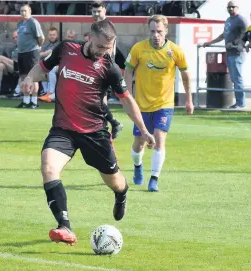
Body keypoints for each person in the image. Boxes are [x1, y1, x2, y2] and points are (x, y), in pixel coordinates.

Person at [21, 20, 155, 245]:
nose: (104, 52)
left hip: (95, 133)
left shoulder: (109, 67)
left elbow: (127, 100)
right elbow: (42, 67)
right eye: (101, 47)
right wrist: (28, 78)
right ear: (89, 37)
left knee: (114, 182)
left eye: (109, 48)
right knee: (48, 167)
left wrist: (143, 130)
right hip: (63, 129)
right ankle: (65, 226)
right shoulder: (65, 49)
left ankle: (122, 193)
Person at [125, 15, 194, 192]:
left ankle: (154, 178)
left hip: (165, 103)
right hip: (141, 105)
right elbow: (127, 72)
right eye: (153, 31)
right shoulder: (138, 49)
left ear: (166, 31)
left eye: (159, 31)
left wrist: (189, 99)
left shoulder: (175, 51)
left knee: (159, 139)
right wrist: (129, 98)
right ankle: (138, 166)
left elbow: (186, 76)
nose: (156, 35)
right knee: (139, 144)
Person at [202, 1, 247, 109]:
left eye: (232, 7)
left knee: (237, 78)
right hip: (229, 53)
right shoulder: (228, 20)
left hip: (237, 53)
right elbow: (224, 35)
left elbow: (246, 33)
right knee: (233, 79)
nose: (230, 9)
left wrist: (235, 43)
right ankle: (239, 102)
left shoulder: (241, 19)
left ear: (237, 7)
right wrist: (210, 42)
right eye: (229, 7)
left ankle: (241, 103)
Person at [91, 1, 123, 139]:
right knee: (97, 99)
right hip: (99, 65)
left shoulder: (107, 27)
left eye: (99, 11)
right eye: (94, 11)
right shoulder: (96, 26)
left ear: (105, 10)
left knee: (100, 99)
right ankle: (107, 125)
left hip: (105, 66)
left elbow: (108, 49)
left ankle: (112, 124)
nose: (96, 14)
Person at [15, 3, 45, 109]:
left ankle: (34, 101)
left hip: (32, 52)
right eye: (21, 11)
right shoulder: (19, 23)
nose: (23, 13)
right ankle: (26, 101)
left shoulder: (33, 22)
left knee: (33, 77)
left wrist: (38, 47)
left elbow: (41, 37)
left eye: (25, 11)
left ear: (30, 12)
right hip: (21, 53)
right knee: (23, 77)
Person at [38, 27, 60, 103]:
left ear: (57, 35)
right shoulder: (46, 45)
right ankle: (45, 92)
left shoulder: (59, 44)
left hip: (59, 65)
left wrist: (41, 54)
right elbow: (39, 54)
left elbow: (49, 52)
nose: (52, 36)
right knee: (39, 67)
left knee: (51, 69)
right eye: (50, 35)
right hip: (49, 64)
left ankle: (50, 92)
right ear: (48, 36)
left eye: (54, 35)